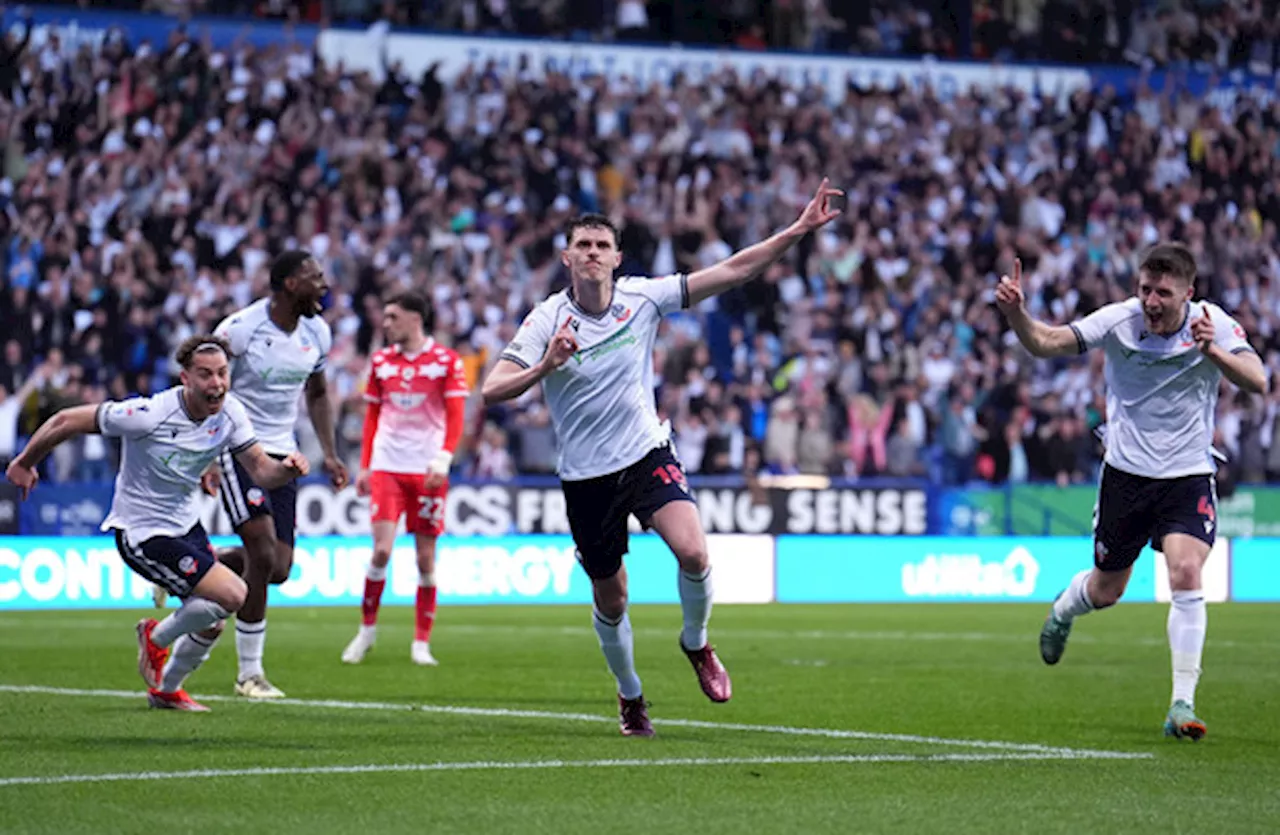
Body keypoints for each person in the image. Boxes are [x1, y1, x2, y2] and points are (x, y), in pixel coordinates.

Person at [481, 178, 844, 736]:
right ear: (567, 257)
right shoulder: (546, 321)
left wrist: (797, 231)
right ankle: (631, 696)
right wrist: (545, 367)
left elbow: (732, 271)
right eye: (583, 245)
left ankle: (696, 643)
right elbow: (492, 389)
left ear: (618, 258)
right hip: (586, 478)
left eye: (602, 246)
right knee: (613, 595)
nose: (593, 254)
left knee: (695, 553)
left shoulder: (642, 298)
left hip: (646, 452)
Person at [995, 243, 1267, 741]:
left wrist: (1214, 352)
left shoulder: (1214, 324)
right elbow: (1047, 342)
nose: (1152, 301)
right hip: (1126, 475)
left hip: (1187, 475)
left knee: (1185, 570)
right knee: (1107, 590)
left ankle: (1182, 703)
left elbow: (1259, 381)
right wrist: (1017, 315)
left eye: (1164, 292)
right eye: (1145, 289)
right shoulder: (1120, 320)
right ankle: (1062, 609)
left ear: (1189, 292)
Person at [4, 336, 310, 711]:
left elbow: (262, 470)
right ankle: (156, 636)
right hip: (142, 532)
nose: (216, 384)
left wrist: (286, 470)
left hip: (186, 525)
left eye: (222, 374)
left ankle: (166, 691)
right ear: (185, 378)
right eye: (205, 375)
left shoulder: (231, 413)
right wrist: (25, 462)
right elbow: (67, 420)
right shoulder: (148, 414)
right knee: (232, 595)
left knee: (210, 621)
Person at [203, 250, 350, 699]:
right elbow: (202, 385)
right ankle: (250, 673)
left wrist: (329, 452)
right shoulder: (240, 330)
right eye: (315, 277)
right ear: (289, 283)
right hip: (237, 448)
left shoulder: (317, 332)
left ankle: (196, 561)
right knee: (262, 554)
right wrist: (205, 452)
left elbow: (318, 393)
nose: (324, 284)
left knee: (279, 568)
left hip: (285, 457)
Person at [341, 291, 468, 666]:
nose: (385, 323)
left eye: (392, 316)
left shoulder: (446, 361)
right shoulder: (381, 362)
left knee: (426, 560)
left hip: (428, 470)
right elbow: (372, 418)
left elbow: (456, 415)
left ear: (415, 318)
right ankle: (366, 631)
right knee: (381, 550)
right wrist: (364, 465)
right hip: (387, 466)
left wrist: (444, 458)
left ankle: (421, 642)